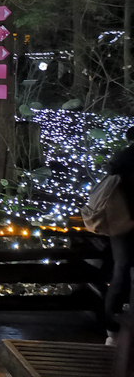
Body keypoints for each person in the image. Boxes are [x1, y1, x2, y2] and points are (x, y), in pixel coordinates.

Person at [105, 126, 134, 346]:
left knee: (121, 272)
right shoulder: (125, 158)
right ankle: (116, 329)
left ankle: (113, 331)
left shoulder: (122, 158)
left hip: (122, 222)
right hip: (125, 222)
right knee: (122, 272)